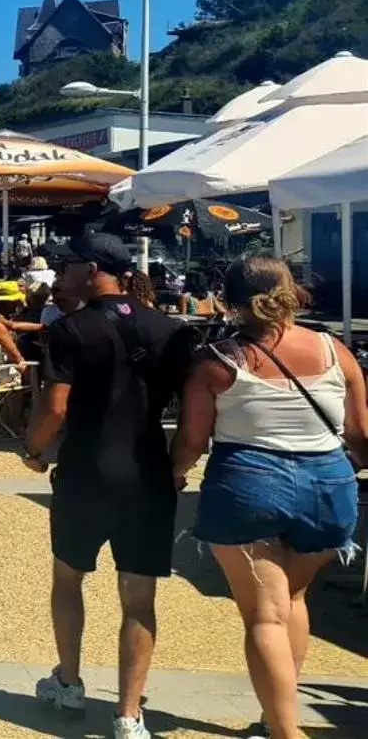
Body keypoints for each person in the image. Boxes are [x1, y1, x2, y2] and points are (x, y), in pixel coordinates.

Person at [171, 258, 367, 738]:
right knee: (293, 600)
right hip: (328, 483)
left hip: (249, 482)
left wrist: (174, 473)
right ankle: (278, 717)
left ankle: (284, 732)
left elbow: (192, 440)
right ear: (292, 293)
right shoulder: (333, 349)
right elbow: (360, 433)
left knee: (265, 614)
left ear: (229, 301)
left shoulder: (219, 361)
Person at [19, 232, 196, 739]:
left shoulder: (71, 330)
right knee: (138, 599)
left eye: (68, 264)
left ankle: (69, 682)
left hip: (86, 471)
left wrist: (33, 450)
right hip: (147, 473)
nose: (60, 272)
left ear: (93, 268)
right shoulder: (170, 330)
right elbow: (191, 416)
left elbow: (55, 407)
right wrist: (178, 467)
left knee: (68, 579)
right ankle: (127, 714)